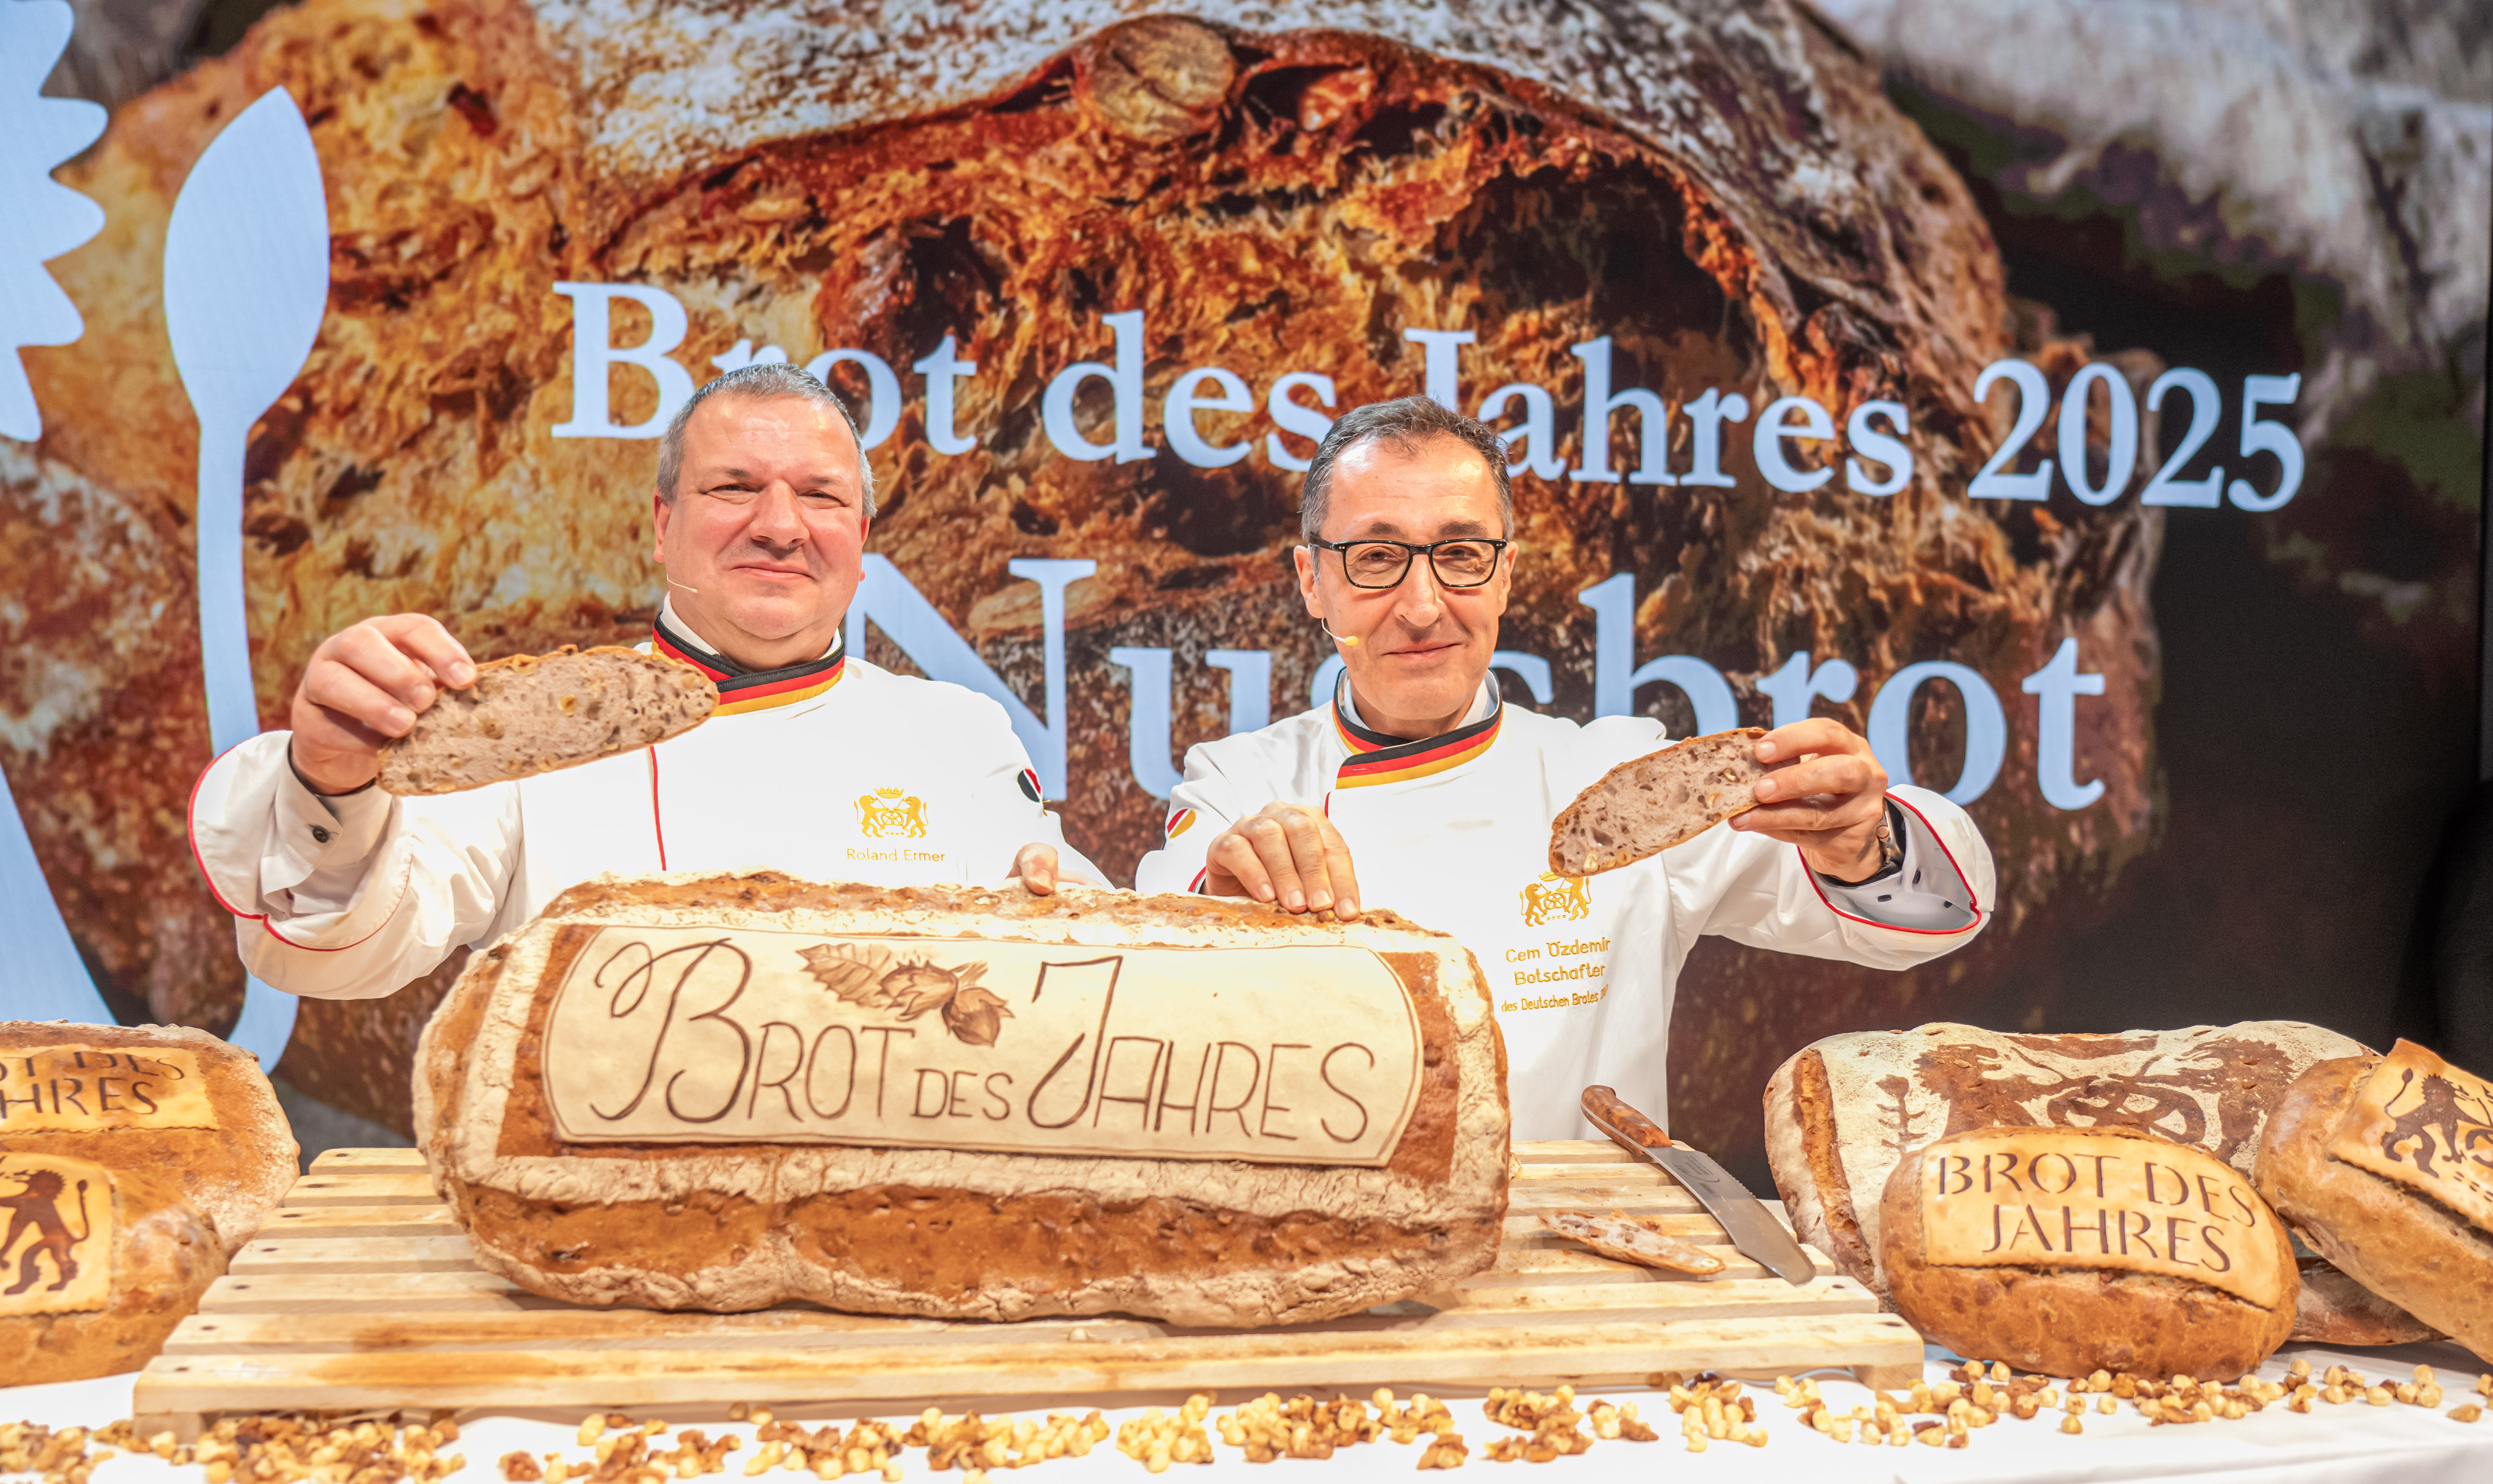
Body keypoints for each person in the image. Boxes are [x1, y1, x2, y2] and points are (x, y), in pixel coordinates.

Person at [1136, 397, 1995, 1141]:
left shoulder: (1618, 783)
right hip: (1340, 1254)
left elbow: (1935, 915)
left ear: (1505, 576)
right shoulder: (1238, 783)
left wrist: (1863, 842)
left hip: (1583, 1265)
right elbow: (1146, 1003)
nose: (1422, 603)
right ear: (1311, 581)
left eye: (1461, 554)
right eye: (1374, 557)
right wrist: (1226, 894)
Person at [190, 362, 1103, 1000]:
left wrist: (1061, 909)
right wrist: (333, 783)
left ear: (860, 543)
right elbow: (340, 949)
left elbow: (1084, 943)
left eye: (821, 496)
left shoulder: (955, 733)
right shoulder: (537, 733)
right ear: (663, 526)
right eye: (733, 487)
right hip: (592, 1223)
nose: (781, 525)